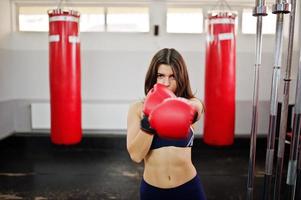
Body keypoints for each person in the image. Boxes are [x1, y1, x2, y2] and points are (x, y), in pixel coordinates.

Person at [126, 48, 206, 200]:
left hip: (189, 188)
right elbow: (136, 155)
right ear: (153, 77)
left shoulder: (190, 103)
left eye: (173, 77)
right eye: (161, 76)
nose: (166, 83)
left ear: (181, 78)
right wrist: (149, 121)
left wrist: (173, 107)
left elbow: (197, 109)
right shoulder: (137, 109)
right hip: (153, 191)